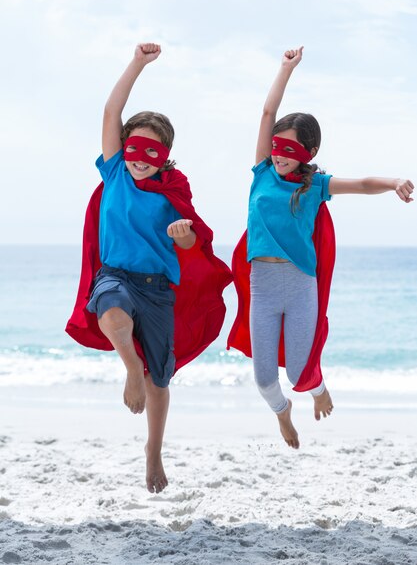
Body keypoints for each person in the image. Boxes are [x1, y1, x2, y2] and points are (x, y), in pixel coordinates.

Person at [228, 46, 414, 450]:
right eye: (277, 145)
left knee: (299, 371)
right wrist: (285, 69)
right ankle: (283, 416)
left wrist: (394, 181)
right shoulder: (262, 171)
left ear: (308, 154)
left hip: (299, 286)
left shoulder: (315, 186)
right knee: (263, 380)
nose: (279, 154)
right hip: (262, 283)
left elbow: (362, 183)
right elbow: (266, 114)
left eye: (290, 150)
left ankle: (319, 390)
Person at [66, 43, 232, 492]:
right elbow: (110, 109)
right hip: (116, 275)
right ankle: (129, 368)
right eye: (133, 146)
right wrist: (137, 64)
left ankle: (153, 452)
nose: (140, 157)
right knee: (112, 313)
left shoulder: (172, 190)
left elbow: (195, 235)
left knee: (161, 379)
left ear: (166, 155)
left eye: (152, 152)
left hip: (159, 287)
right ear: (123, 147)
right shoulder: (116, 171)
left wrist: (185, 237)